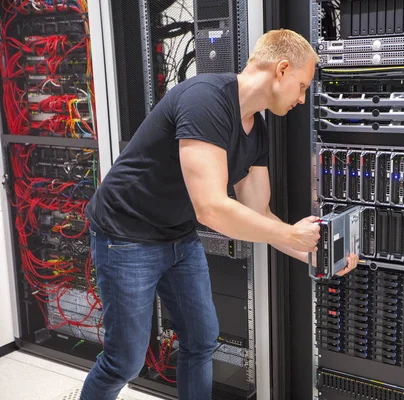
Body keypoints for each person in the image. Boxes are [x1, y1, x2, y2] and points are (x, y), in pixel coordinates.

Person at [80, 29, 359, 400]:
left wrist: (315, 255)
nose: (302, 98)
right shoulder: (205, 99)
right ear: (281, 69)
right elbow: (211, 208)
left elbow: (259, 213)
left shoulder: (256, 129)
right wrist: (291, 236)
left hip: (177, 235)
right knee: (124, 362)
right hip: (125, 235)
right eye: (303, 85)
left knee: (201, 340)